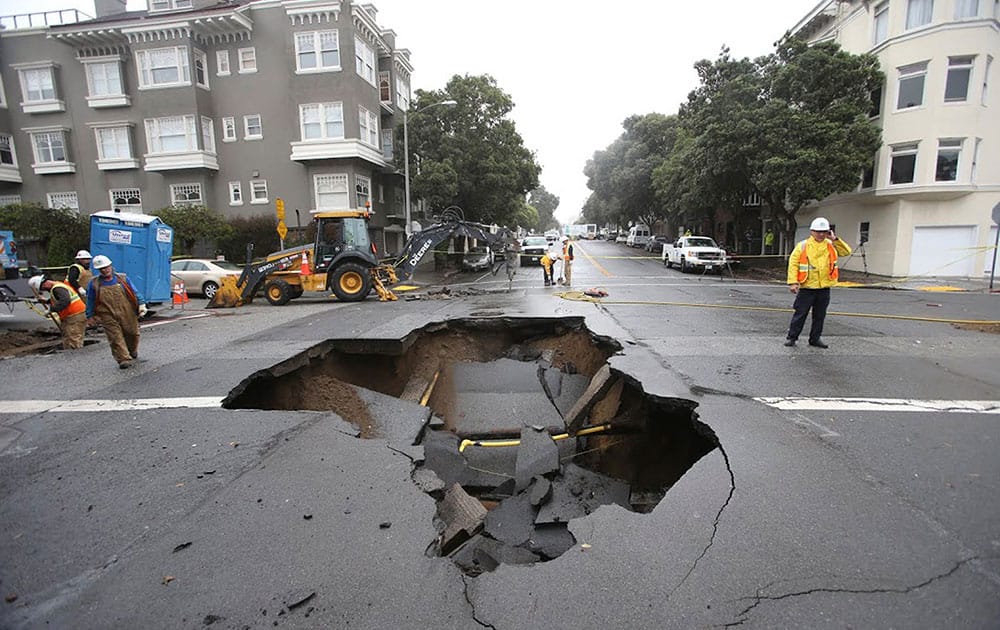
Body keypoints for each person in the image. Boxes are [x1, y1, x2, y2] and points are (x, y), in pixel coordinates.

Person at [784, 217, 852, 348]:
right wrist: (793, 282)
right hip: (807, 287)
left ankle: (815, 338)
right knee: (800, 314)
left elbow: (846, 251)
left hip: (824, 286)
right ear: (812, 231)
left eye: (824, 231)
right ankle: (792, 337)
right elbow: (793, 264)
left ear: (828, 232)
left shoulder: (831, 244)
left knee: (820, 315)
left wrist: (835, 239)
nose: (821, 234)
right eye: (818, 231)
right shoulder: (803, 245)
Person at [86, 255, 147, 369]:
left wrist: (141, 303)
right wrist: (89, 315)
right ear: (99, 270)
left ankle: (132, 350)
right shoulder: (94, 283)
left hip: (127, 310)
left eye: (107, 267)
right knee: (115, 336)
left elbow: (134, 291)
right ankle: (122, 358)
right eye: (102, 268)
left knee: (132, 333)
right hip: (107, 313)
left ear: (111, 266)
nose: (105, 270)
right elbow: (90, 299)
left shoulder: (122, 279)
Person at [28, 275, 87, 349]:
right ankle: (69, 355)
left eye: (43, 288)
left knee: (73, 339)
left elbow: (65, 301)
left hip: (74, 315)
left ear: (45, 283)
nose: (45, 290)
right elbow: (59, 299)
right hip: (74, 315)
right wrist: (47, 301)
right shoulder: (58, 285)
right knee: (68, 337)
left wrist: (51, 309)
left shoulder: (57, 288)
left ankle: (75, 357)